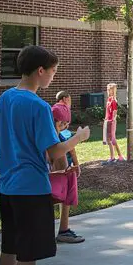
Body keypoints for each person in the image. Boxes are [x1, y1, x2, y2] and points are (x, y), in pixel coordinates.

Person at [0, 45, 91, 265]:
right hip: (31, 189)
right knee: (28, 255)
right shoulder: (38, 106)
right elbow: (54, 151)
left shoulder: (5, 98)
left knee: (9, 247)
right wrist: (79, 138)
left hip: (7, 187)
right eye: (53, 71)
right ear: (40, 70)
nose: (54, 76)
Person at [49, 103, 84, 244]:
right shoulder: (49, 137)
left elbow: (71, 150)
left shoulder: (59, 137)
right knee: (49, 199)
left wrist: (74, 166)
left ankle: (63, 230)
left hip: (59, 173)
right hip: (47, 176)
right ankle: (48, 232)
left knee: (64, 195)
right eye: (62, 123)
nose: (64, 126)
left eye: (65, 123)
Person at [102, 83, 124, 164]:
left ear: (113, 90)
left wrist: (112, 120)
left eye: (109, 89)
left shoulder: (114, 100)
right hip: (107, 121)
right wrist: (106, 119)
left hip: (111, 122)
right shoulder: (109, 99)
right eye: (107, 89)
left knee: (111, 139)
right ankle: (117, 156)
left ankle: (115, 157)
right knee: (111, 139)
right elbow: (108, 111)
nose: (108, 91)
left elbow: (115, 112)